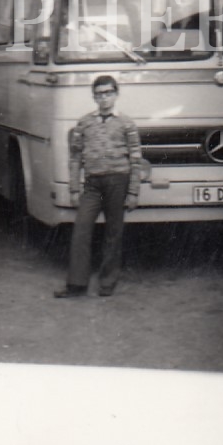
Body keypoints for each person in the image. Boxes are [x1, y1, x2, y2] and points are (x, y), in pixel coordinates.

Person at [55, 75, 142, 298]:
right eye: (99, 94)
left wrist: (133, 191)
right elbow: (75, 158)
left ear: (116, 94)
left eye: (108, 93)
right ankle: (76, 284)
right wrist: (74, 189)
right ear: (94, 97)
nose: (104, 98)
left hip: (118, 181)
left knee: (114, 232)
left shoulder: (127, 124)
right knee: (81, 229)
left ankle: (107, 282)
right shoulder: (84, 123)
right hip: (92, 184)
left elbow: (135, 160)